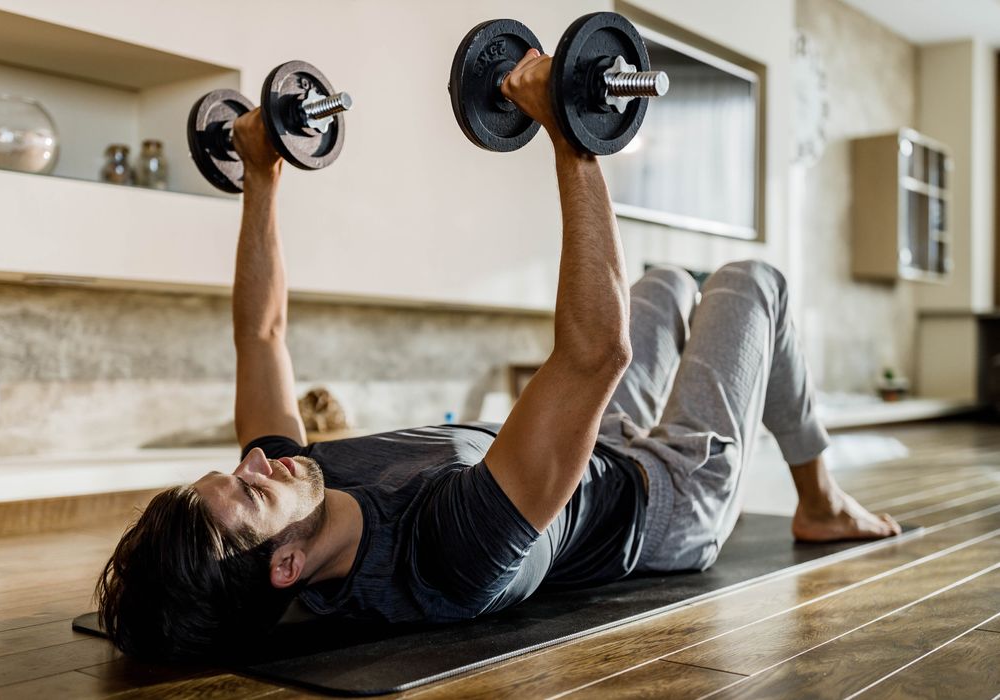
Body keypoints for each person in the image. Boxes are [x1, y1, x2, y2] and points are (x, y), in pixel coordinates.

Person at [95, 49, 900, 661]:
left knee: (659, 285)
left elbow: (260, 334)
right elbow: (596, 355)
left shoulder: (293, 501)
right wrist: (570, 132)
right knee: (749, 281)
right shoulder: (445, 554)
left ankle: (807, 483)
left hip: (602, 450)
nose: (255, 463)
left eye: (233, 472)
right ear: (286, 567)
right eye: (248, 491)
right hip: (667, 500)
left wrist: (264, 177)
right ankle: (821, 502)